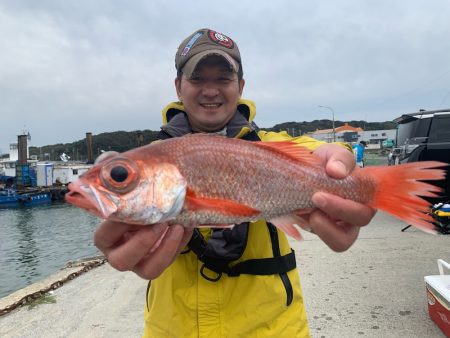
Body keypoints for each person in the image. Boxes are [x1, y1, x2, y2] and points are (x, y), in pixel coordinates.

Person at [93, 28, 376, 337]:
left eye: (223, 79)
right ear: (178, 86)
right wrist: (120, 242)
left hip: (273, 329)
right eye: (197, 79)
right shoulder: (153, 159)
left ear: (240, 86)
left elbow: (320, 154)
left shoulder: (270, 144)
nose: (210, 90)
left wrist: (350, 176)